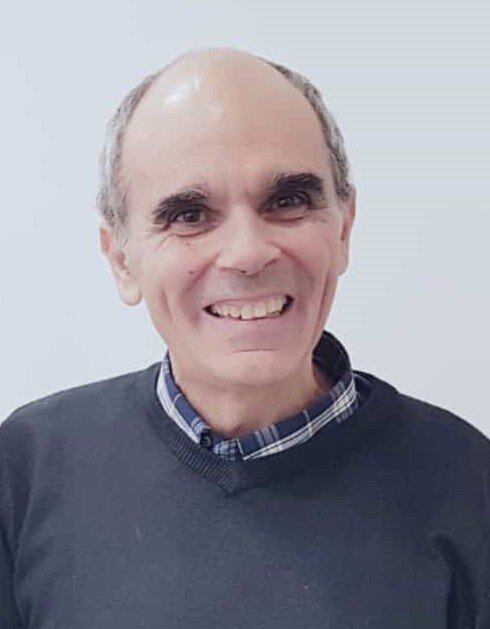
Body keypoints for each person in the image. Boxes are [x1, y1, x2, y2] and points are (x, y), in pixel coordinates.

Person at [1, 47, 488, 628]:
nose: (248, 253)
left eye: (288, 202)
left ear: (344, 230)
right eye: (189, 215)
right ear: (122, 260)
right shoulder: (27, 468)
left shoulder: (468, 482)